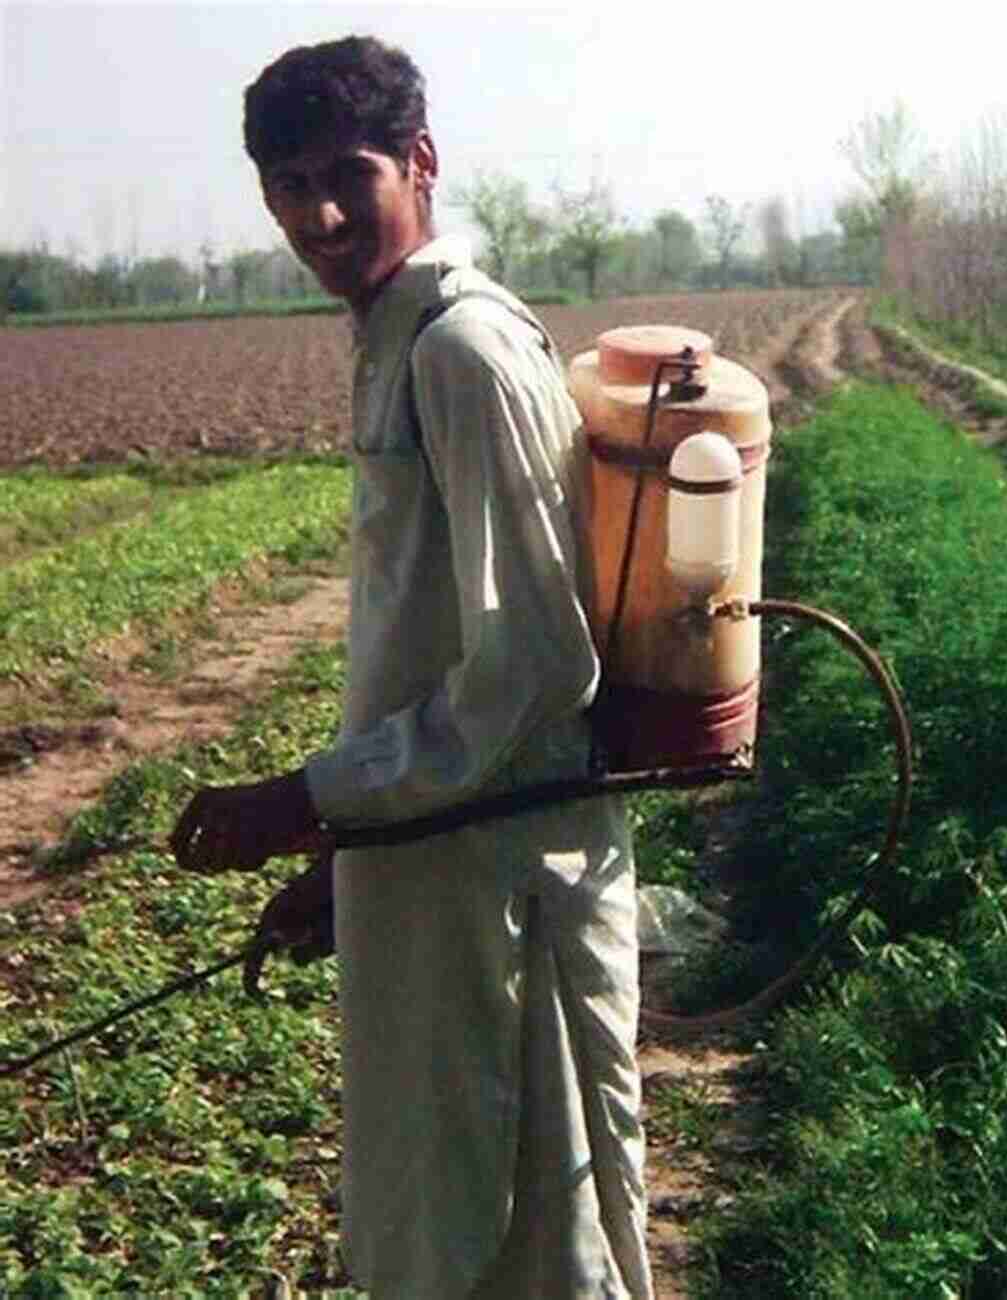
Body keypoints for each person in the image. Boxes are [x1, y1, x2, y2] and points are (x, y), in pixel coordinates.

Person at [169, 35, 652, 1299]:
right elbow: (428, 643)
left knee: (540, 1242)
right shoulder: (395, 333)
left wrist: (308, 798)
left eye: (350, 174)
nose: (319, 214)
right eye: (288, 186)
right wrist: (349, 858)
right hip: (435, 875)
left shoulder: (460, 352)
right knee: (444, 1233)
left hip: (509, 886)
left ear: (422, 162)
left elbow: (541, 663)